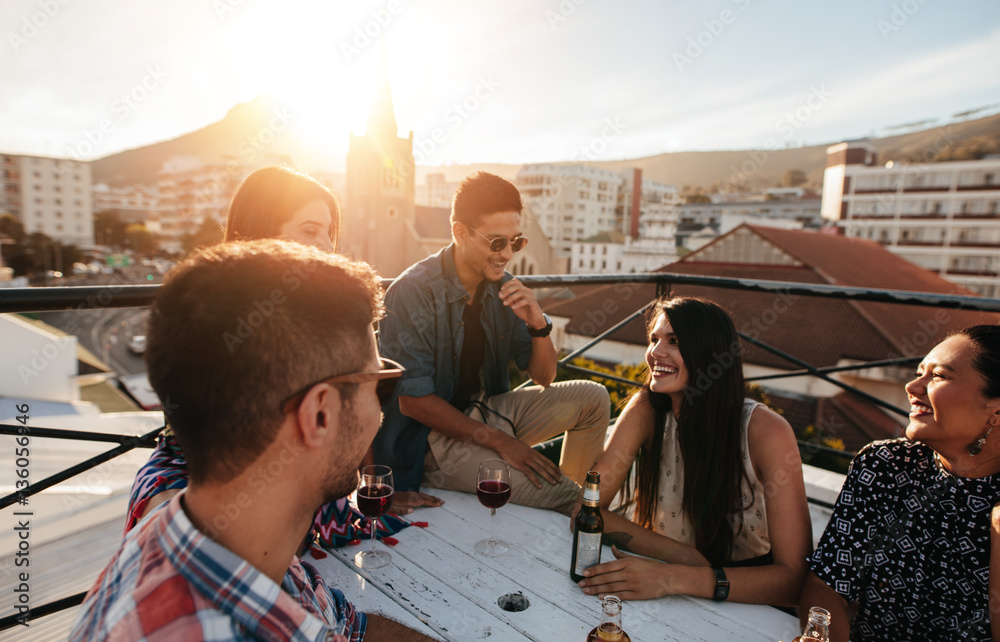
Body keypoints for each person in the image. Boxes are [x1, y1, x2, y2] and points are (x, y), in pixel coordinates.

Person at [71, 240, 435, 641]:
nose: (380, 413)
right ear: (319, 414)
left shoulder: (232, 541)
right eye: (379, 384)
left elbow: (349, 629)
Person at [126, 165, 440, 530]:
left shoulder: (312, 319)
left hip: (295, 494)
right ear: (259, 236)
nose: (326, 246)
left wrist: (372, 494)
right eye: (309, 231)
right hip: (206, 488)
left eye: (329, 233)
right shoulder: (211, 320)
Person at [375, 171, 610, 514]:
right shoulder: (414, 292)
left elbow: (544, 377)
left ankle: (566, 520)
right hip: (429, 440)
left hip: (485, 411)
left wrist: (539, 325)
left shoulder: (504, 286)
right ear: (460, 232)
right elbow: (414, 402)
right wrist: (502, 443)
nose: (507, 254)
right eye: (496, 242)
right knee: (562, 493)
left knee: (594, 398)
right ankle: (573, 510)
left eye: (516, 241)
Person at [576, 296, 811, 604]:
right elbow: (586, 511)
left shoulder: (766, 431)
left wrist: (673, 578)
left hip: (742, 593)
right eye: (654, 339)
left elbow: (795, 579)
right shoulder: (647, 408)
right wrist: (681, 555)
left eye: (674, 341)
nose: (655, 353)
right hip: (659, 576)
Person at [800, 324, 1000, 641]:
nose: (912, 386)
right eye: (920, 371)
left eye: (939, 376)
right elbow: (827, 584)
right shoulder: (885, 466)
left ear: (997, 408)